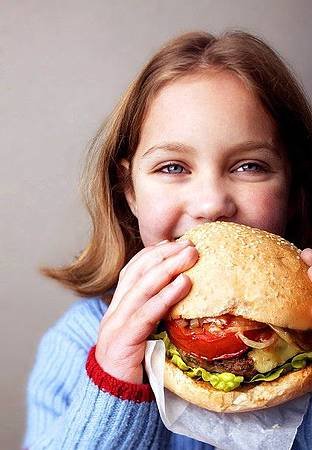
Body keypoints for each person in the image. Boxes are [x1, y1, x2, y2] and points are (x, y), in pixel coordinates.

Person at [23, 30, 312, 449]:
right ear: (130, 191)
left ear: (293, 189)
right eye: (173, 167)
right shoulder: (76, 342)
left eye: (249, 166)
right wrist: (114, 379)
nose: (211, 203)